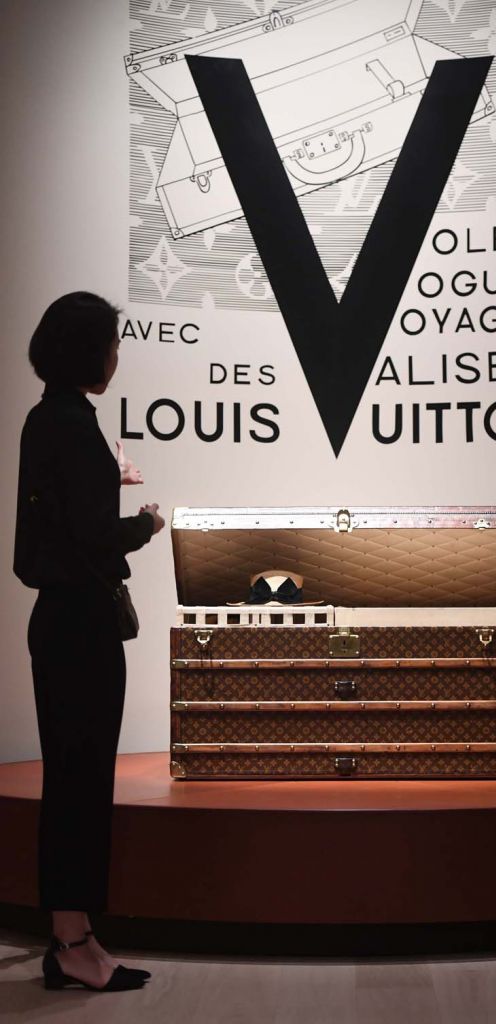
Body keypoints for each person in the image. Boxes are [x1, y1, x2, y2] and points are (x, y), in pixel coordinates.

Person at [13, 292, 165, 992]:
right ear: (89, 350)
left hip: (62, 622)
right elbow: (94, 538)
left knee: (71, 780)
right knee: (80, 783)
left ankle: (73, 934)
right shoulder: (72, 425)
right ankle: (73, 941)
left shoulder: (48, 417)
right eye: (112, 343)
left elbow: (57, 529)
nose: (116, 355)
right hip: (81, 626)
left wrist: (109, 489)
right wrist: (146, 524)